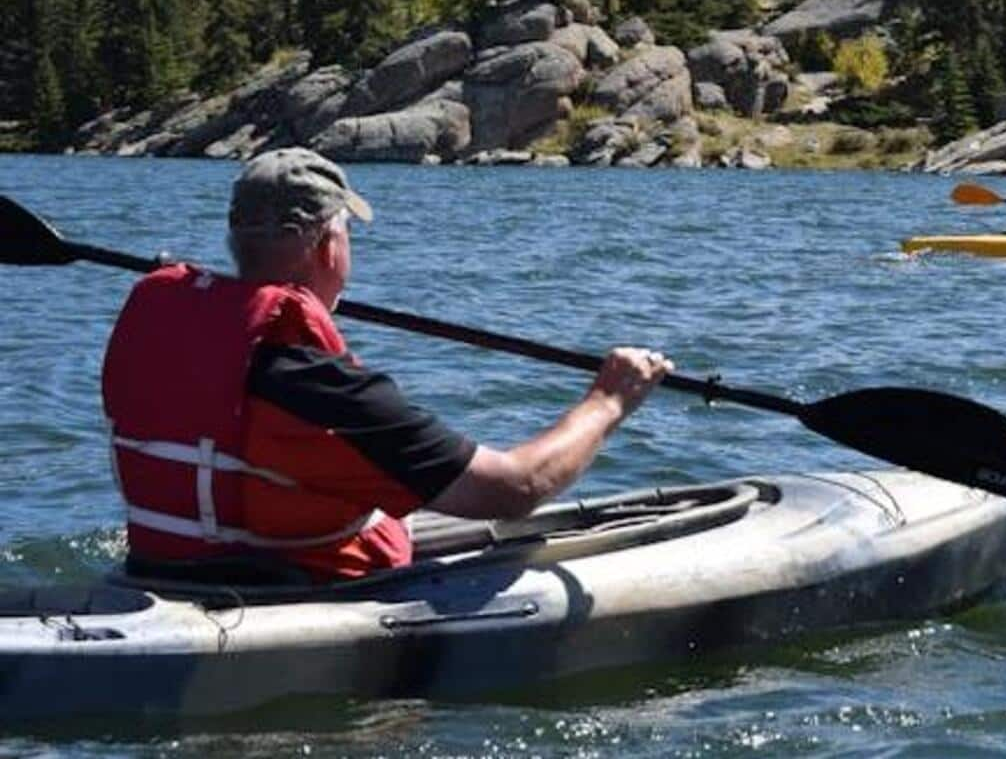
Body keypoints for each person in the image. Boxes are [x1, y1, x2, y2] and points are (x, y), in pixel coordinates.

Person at [100, 148, 673, 584]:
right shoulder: (317, 384)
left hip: (166, 573)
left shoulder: (166, 338)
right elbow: (513, 489)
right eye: (347, 235)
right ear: (328, 245)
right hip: (296, 593)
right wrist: (609, 400)